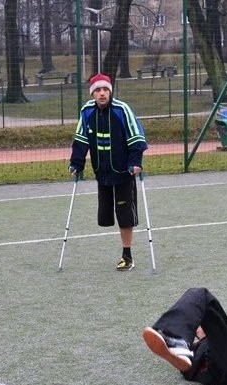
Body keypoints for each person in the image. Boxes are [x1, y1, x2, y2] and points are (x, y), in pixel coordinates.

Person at [69, 73, 148, 271]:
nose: (102, 93)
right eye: (98, 90)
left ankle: (127, 256)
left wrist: (135, 162)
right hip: (101, 173)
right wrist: (76, 163)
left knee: (124, 215)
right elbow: (81, 140)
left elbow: (136, 137)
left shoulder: (122, 110)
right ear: (93, 94)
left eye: (105, 90)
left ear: (110, 91)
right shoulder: (87, 111)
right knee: (104, 216)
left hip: (124, 172)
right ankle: (125, 253)